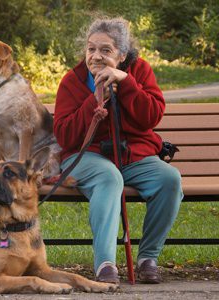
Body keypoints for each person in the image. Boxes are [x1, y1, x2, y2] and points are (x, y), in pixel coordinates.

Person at [53, 17, 183, 284]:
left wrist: (126, 84)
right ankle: (105, 265)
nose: (96, 56)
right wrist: (94, 101)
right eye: (91, 49)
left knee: (169, 180)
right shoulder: (72, 81)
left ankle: (148, 258)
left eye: (105, 50)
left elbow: (151, 117)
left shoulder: (140, 71)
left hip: (132, 156)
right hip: (87, 158)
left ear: (122, 55)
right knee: (109, 177)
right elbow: (65, 136)